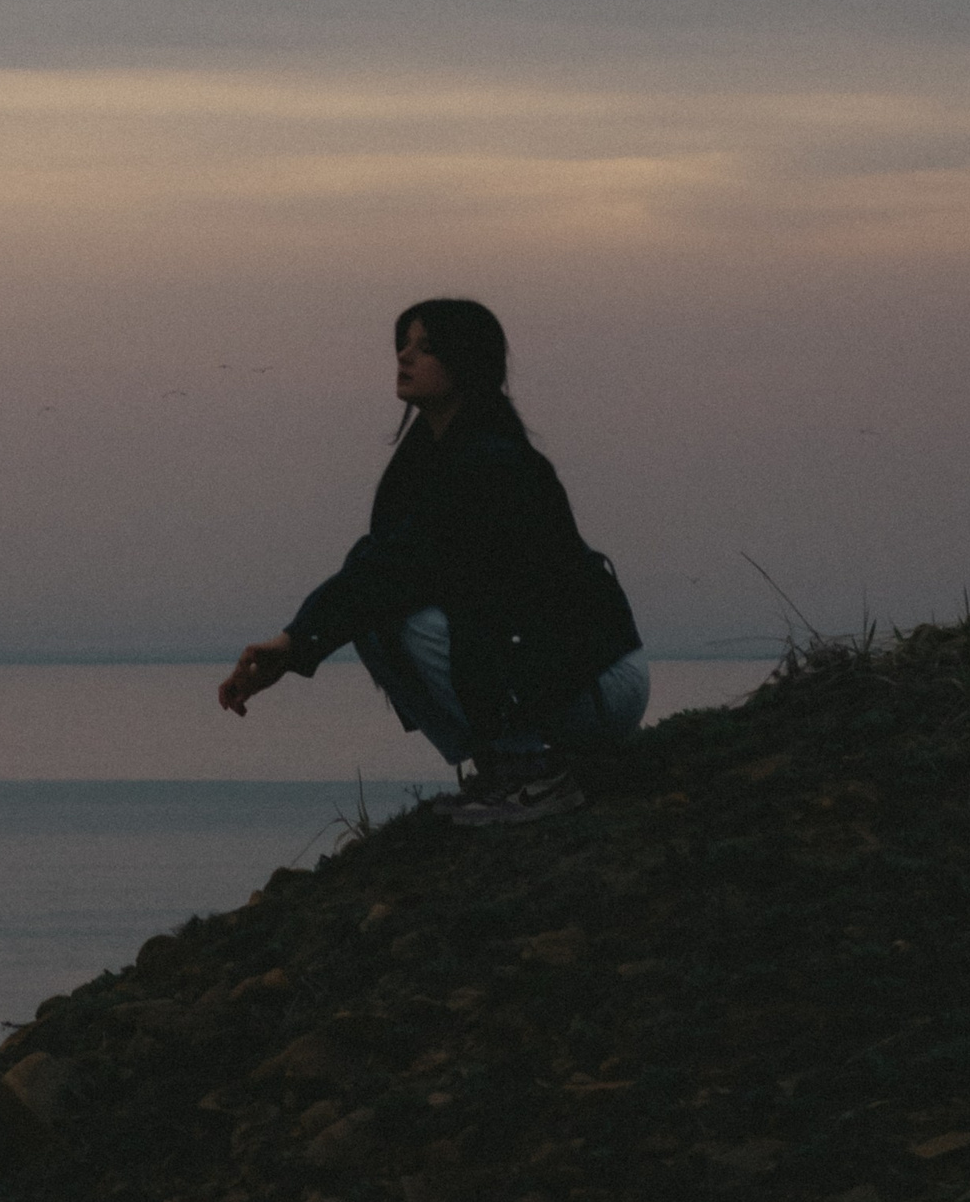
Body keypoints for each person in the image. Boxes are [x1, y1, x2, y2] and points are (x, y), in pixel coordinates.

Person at [216, 298, 647, 826]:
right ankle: (505, 767)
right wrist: (293, 643)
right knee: (377, 615)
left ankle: (533, 772)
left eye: (426, 347)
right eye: (404, 343)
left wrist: (296, 642)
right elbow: (378, 564)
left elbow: (400, 572)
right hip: (556, 676)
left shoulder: (493, 462)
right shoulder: (427, 459)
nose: (404, 356)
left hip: (599, 682)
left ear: (466, 363)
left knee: (402, 614)